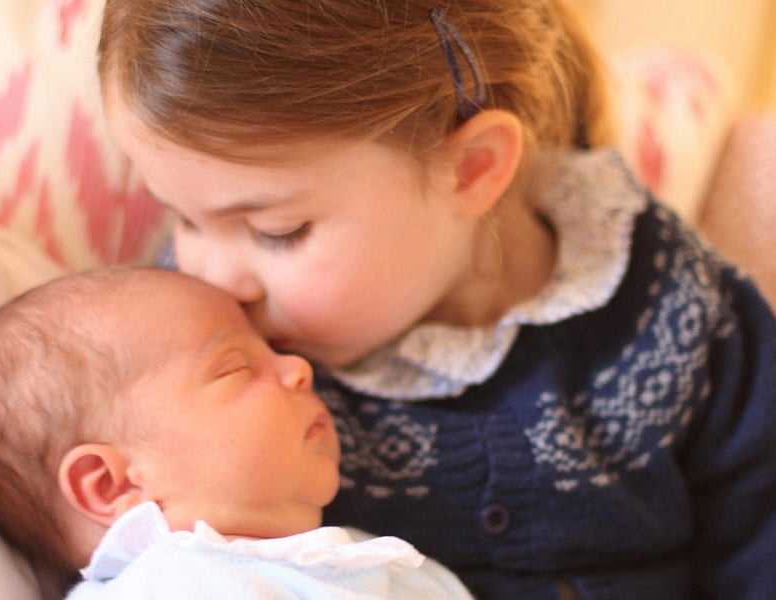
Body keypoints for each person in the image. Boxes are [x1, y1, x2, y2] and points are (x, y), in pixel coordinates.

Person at [95, 1, 776, 598]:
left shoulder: (673, 303)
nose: (213, 276)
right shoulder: (204, 349)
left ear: (472, 169)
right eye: (182, 219)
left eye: (280, 231)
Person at [0, 267, 474, 599]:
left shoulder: (372, 559)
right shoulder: (169, 586)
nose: (298, 369)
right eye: (235, 369)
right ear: (113, 485)